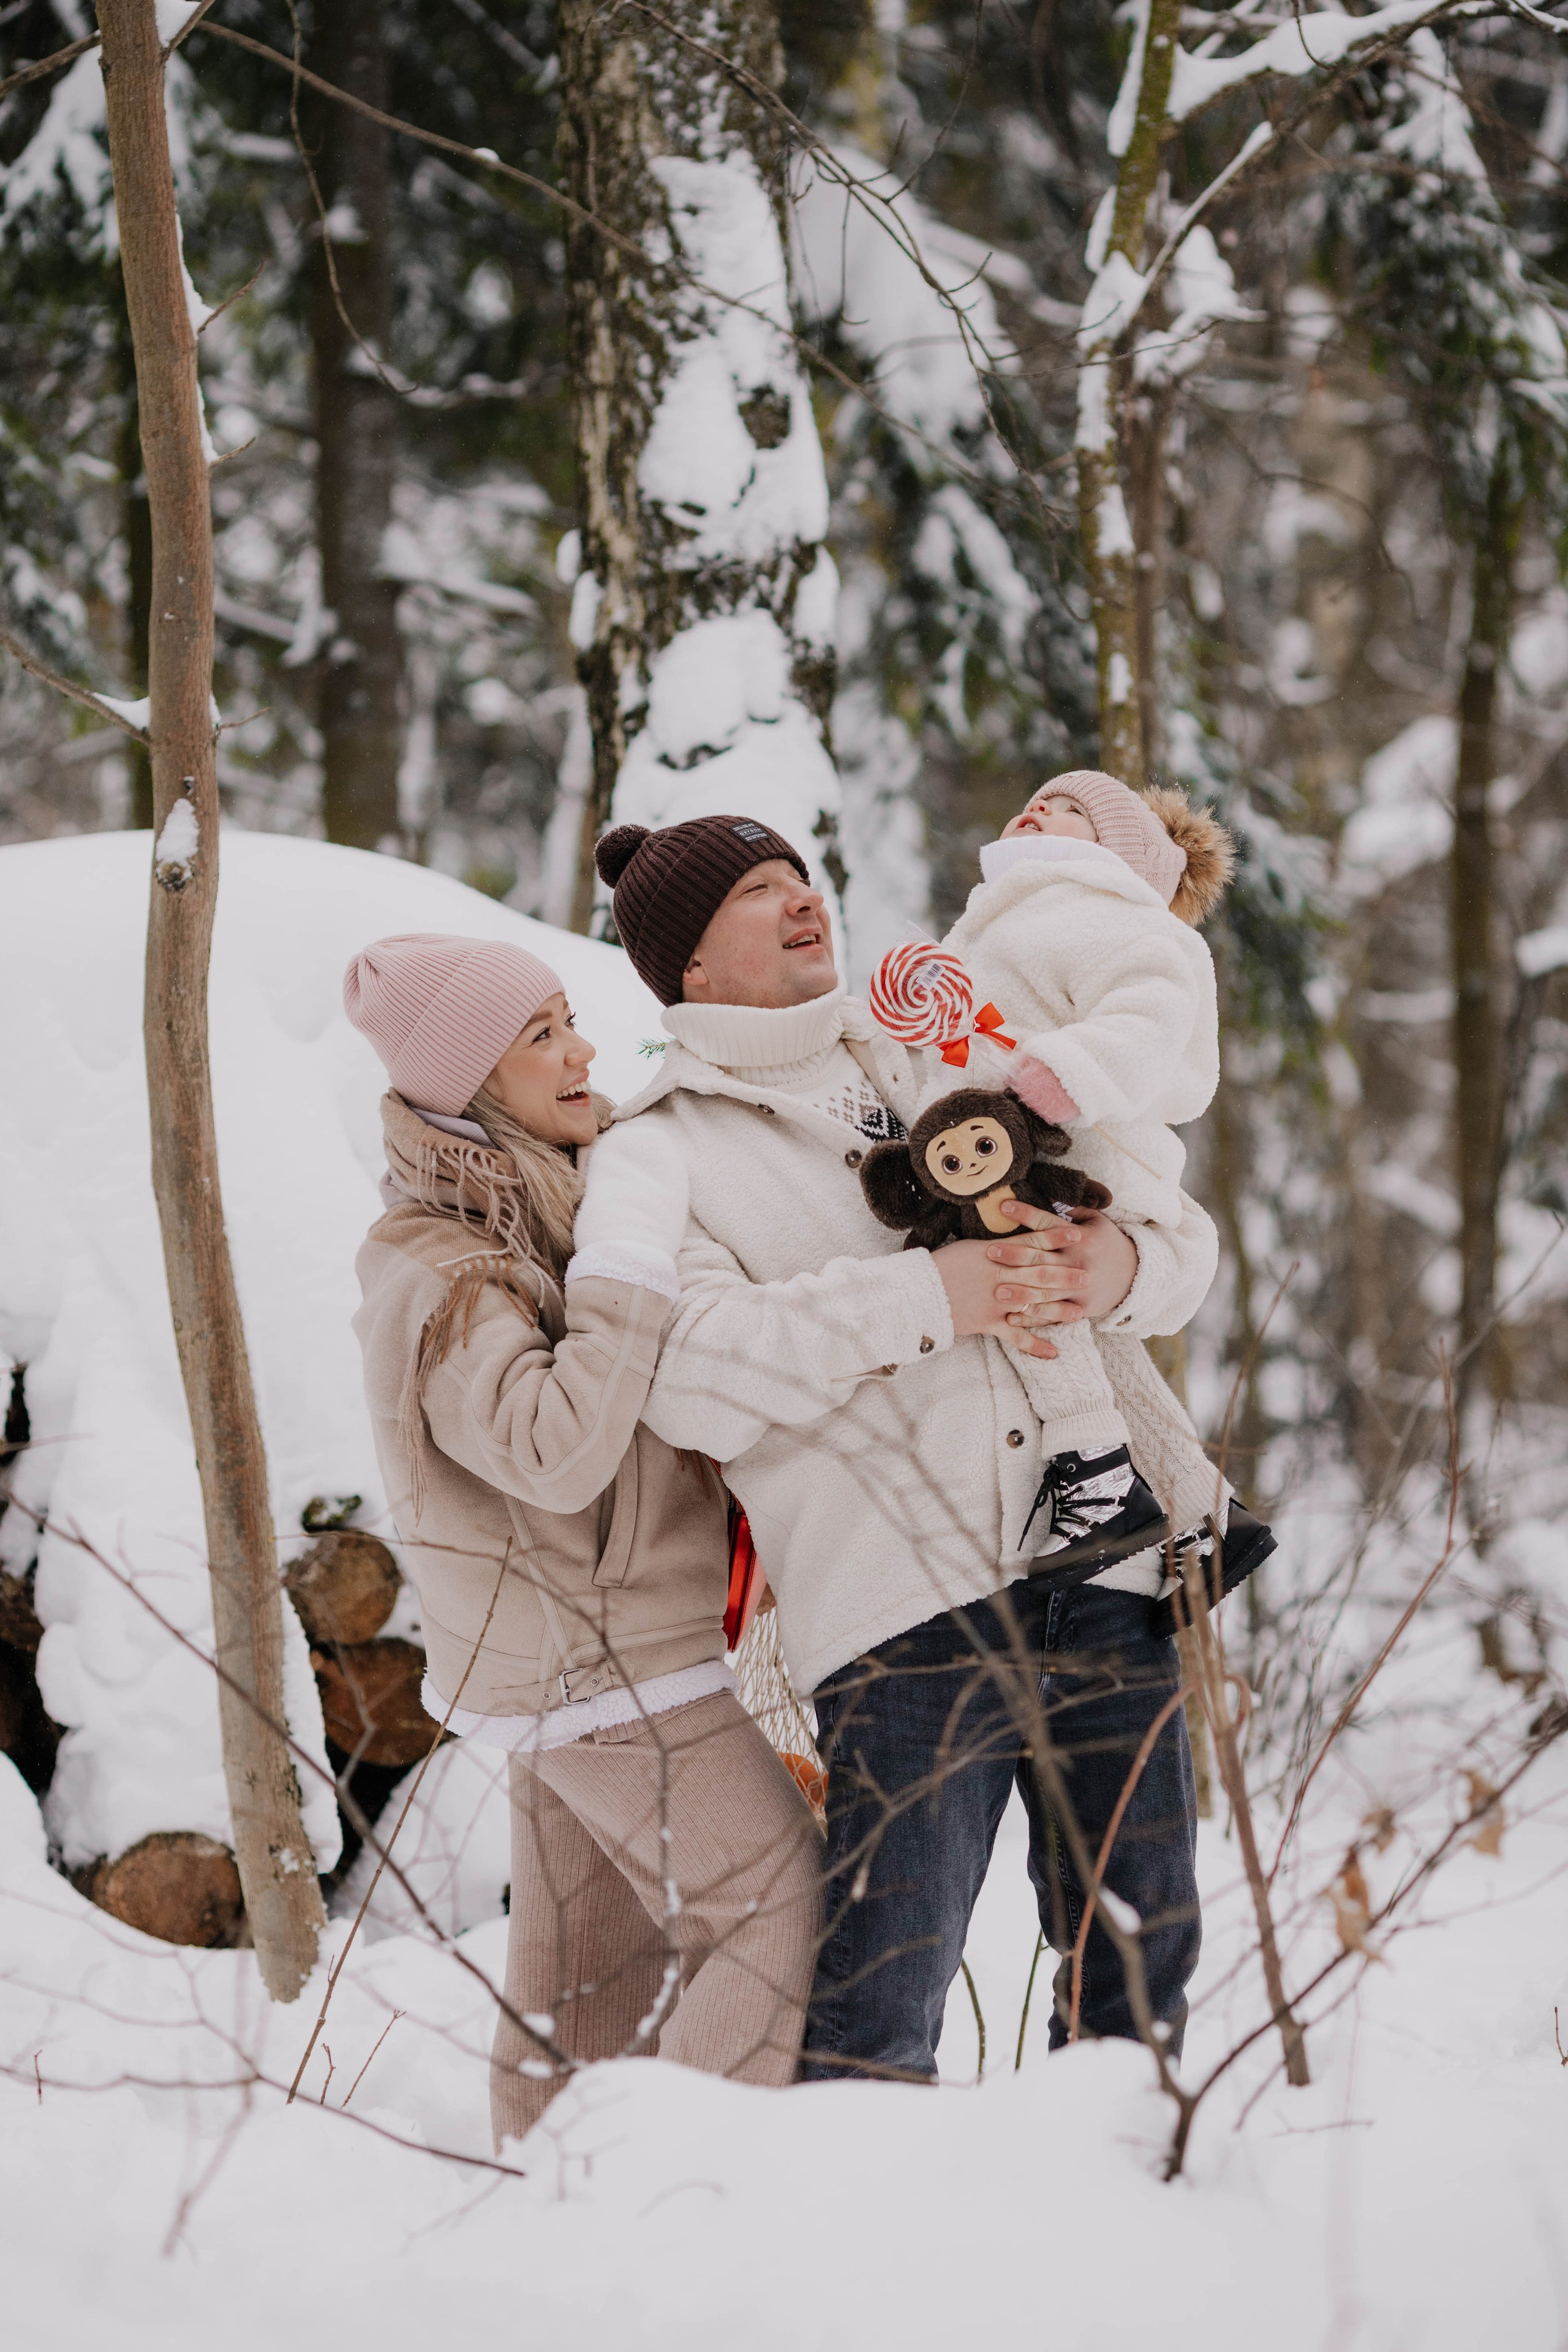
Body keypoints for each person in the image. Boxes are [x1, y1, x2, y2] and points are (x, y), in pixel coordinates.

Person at [576, 814, 1218, 2083]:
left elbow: (1168, 1225)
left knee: (1141, 1954)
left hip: (1098, 1555)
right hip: (901, 1612)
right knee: (882, 1999)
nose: (800, 899)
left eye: (799, 877)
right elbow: (692, 1377)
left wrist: (1119, 1268)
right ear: (687, 961)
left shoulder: (944, 1035)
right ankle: (856, 2209)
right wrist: (936, 1296)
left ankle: (1127, 2186)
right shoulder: (662, 1145)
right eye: (757, 892)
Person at [342, 931, 821, 2144]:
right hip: (597, 1662)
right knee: (777, 1911)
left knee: (585, 1986)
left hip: (589, 1652)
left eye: (570, 1021)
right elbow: (553, 1450)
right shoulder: (440, 1268)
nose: (582, 1052)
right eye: (542, 1035)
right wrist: (622, 1271)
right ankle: (663, 2193)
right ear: (469, 1080)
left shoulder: (549, 1201)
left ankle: (545, 2201)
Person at [895, 766, 1270, 1608]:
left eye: (1070, 810)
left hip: (1085, 1153)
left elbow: (1152, 1011)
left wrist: (1062, 1076)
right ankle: (1205, 1513)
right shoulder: (997, 918)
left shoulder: (1114, 914)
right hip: (1007, 1149)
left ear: (1124, 855)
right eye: (1036, 799)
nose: (1039, 807)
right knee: (1100, 1347)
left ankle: (1095, 1474)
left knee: (1031, 1289)